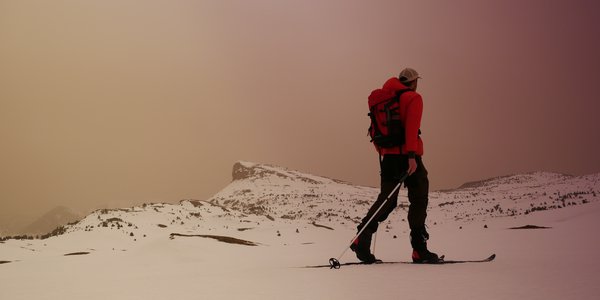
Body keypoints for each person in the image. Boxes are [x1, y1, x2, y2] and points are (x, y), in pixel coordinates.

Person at [351, 67, 440, 264]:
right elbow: (411, 129)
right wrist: (410, 157)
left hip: (388, 157)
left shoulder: (384, 98)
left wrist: (386, 153)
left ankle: (361, 240)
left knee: (387, 201)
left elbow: (374, 130)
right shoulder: (413, 98)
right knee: (419, 198)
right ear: (414, 82)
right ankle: (419, 249)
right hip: (409, 156)